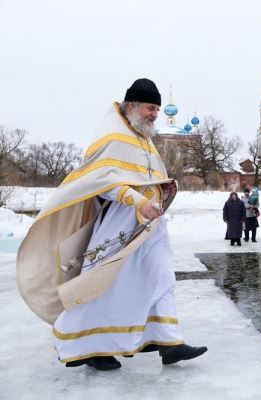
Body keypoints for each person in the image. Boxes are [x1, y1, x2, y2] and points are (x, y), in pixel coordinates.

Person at [16, 78, 206, 371]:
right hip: (120, 222)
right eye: (149, 108)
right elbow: (101, 182)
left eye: (157, 109)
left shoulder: (145, 140)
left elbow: (149, 178)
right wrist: (136, 201)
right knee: (103, 284)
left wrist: (162, 192)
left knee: (162, 275)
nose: (154, 114)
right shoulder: (112, 137)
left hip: (151, 222)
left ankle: (170, 342)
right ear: (132, 105)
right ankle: (82, 344)